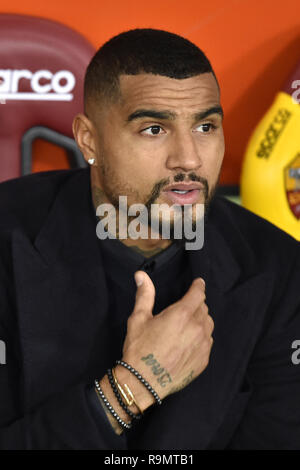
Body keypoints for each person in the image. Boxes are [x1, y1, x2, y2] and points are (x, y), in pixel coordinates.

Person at [0, 28, 299, 450]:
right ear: (90, 140)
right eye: (154, 129)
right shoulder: (7, 241)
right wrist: (127, 392)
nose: (189, 158)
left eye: (206, 126)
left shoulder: (280, 271)